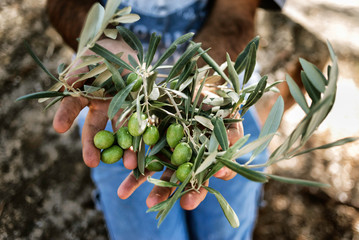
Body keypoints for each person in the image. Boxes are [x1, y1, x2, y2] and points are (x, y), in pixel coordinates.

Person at [47, 0, 286, 239]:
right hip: (115, 104)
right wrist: (100, 45)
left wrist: (202, 81)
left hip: (217, 96)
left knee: (225, 232)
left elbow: (237, 10)